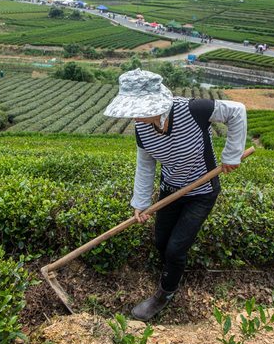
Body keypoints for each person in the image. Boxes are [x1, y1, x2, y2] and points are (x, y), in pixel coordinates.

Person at [103, 69, 247, 321]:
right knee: (161, 242)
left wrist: (232, 155)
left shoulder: (194, 110)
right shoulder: (142, 130)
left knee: (175, 248)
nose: (136, 116)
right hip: (170, 189)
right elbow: (145, 165)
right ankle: (173, 270)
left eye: (139, 109)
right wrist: (141, 202)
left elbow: (237, 111)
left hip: (201, 191)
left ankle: (165, 293)